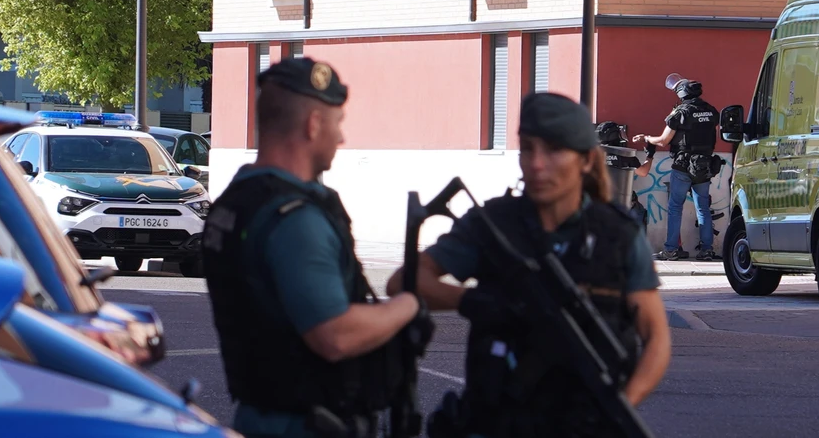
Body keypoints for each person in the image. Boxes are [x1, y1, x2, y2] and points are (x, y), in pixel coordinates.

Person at [393, 92, 672, 436]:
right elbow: (405, 280)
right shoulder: (494, 223)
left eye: (553, 150)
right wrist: (471, 302)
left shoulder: (617, 234)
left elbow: (656, 336)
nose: (537, 164)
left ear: (585, 160)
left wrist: (620, 404)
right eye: (527, 149)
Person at [204, 58, 429, 438]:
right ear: (312, 125)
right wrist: (406, 307)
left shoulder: (235, 202)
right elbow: (334, 335)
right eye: (337, 123)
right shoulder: (295, 219)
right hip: (308, 424)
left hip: (260, 415)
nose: (341, 138)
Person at [636, 75, 722, 261]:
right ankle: (707, 250)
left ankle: (671, 250)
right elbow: (713, 137)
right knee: (703, 209)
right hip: (704, 166)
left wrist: (647, 138)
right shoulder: (711, 111)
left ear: (682, 94)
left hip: (683, 165)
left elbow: (663, 140)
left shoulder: (680, 113)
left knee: (675, 207)